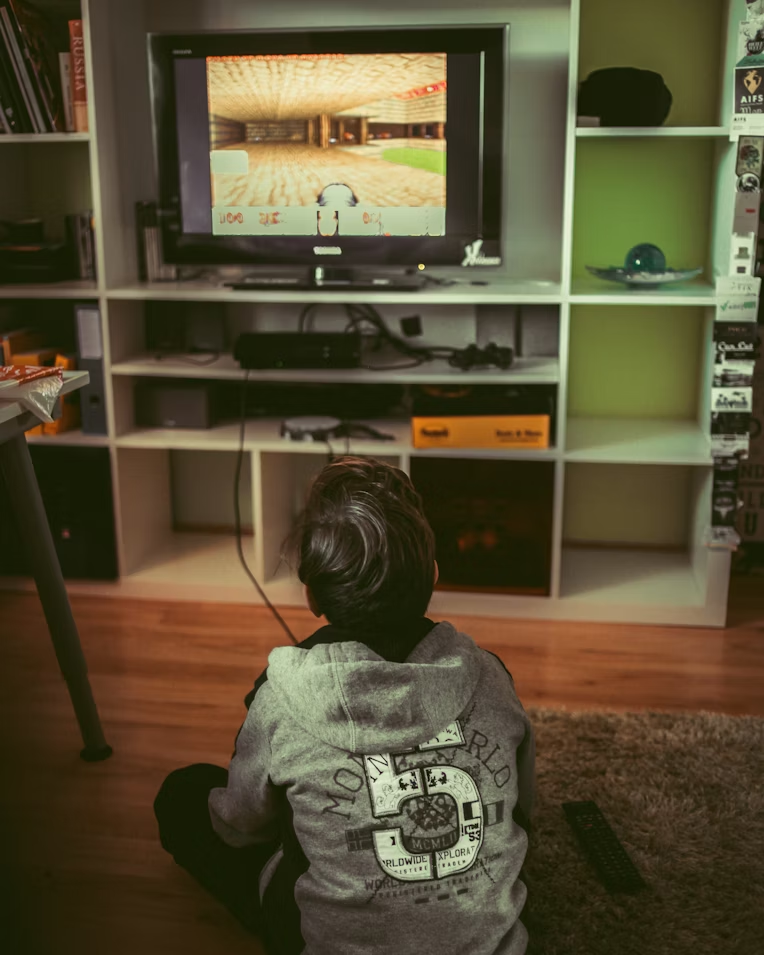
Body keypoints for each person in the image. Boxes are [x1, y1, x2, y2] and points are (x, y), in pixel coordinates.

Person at [154, 456, 536, 954]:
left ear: (312, 595)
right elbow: (522, 809)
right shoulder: (490, 675)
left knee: (183, 794)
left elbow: (242, 828)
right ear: (435, 573)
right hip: (496, 946)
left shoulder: (281, 697)